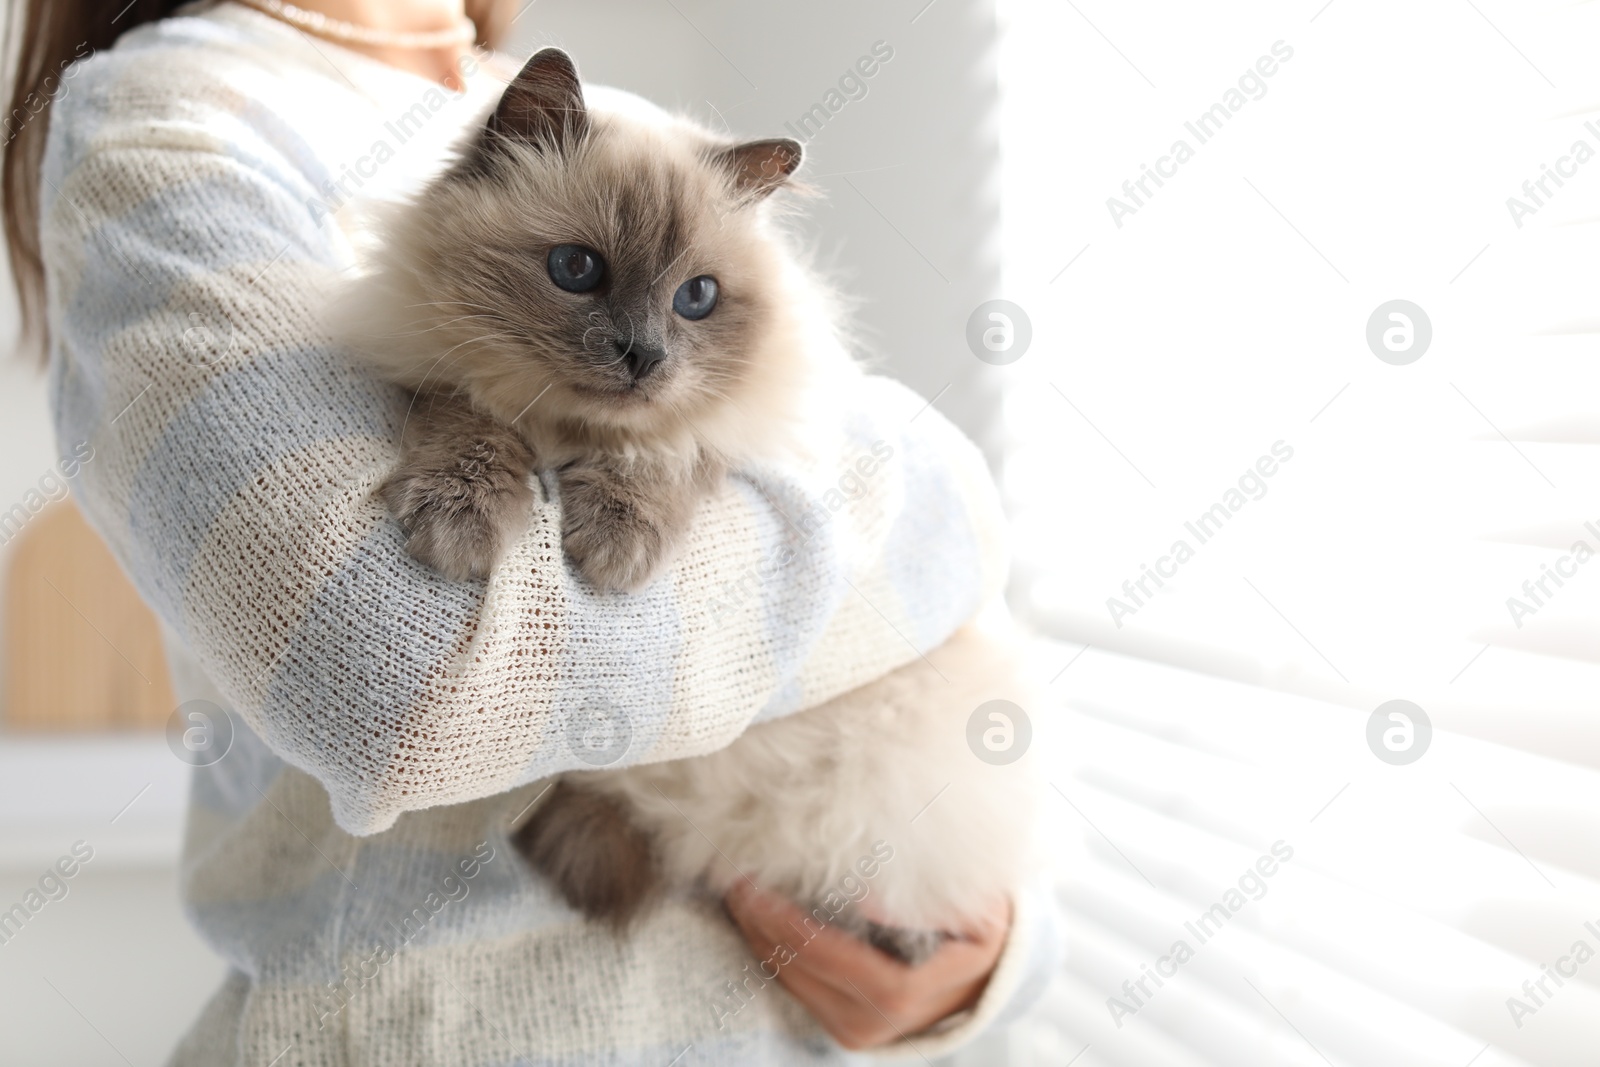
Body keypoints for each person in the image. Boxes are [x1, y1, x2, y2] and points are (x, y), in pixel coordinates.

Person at [3, 0, 1061, 1061]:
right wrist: (939, 497)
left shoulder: (626, 119)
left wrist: (978, 966)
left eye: (693, 298)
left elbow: (936, 638)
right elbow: (397, 678)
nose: (643, 347)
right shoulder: (166, 116)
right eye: (579, 275)